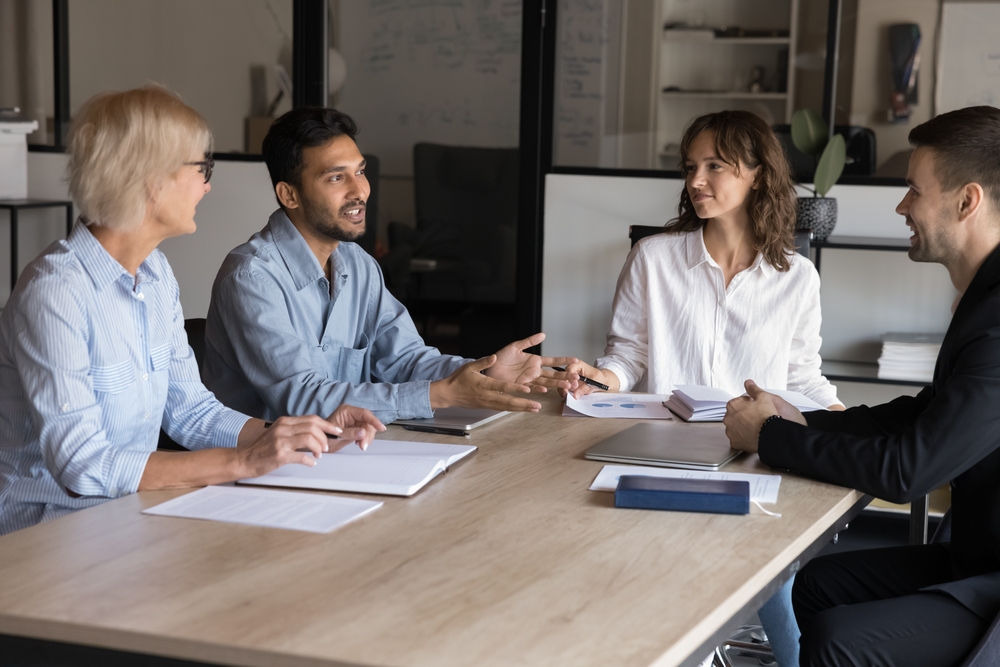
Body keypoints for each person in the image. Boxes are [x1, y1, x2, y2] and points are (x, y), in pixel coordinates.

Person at [0, 88, 384, 536]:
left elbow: (192, 413)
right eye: (202, 167)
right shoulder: (54, 292)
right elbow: (83, 465)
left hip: (128, 519)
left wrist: (296, 435)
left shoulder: (156, 274)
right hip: (40, 534)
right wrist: (243, 460)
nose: (208, 184)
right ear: (150, 178)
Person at [561, 110, 843, 666]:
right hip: (665, 453)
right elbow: (628, 354)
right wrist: (600, 380)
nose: (696, 180)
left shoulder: (797, 278)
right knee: (651, 575)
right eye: (691, 166)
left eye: (715, 165)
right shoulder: (654, 258)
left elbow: (801, 374)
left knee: (773, 573)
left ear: (758, 173)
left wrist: (841, 417)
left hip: (757, 455)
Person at [723, 105, 1000, 667]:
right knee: (817, 585)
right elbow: (921, 415)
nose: (901, 207)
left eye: (913, 192)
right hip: (976, 555)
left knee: (840, 643)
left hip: (992, 580)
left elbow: (908, 471)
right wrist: (802, 422)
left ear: (966, 201)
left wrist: (771, 437)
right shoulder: (983, 300)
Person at [203, 107, 573, 424]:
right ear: (290, 194)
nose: (359, 190)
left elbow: (406, 360)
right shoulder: (251, 277)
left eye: (360, 171)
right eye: (336, 177)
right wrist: (438, 396)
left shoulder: (357, 264)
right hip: (262, 472)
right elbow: (302, 399)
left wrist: (485, 371)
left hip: (350, 452)